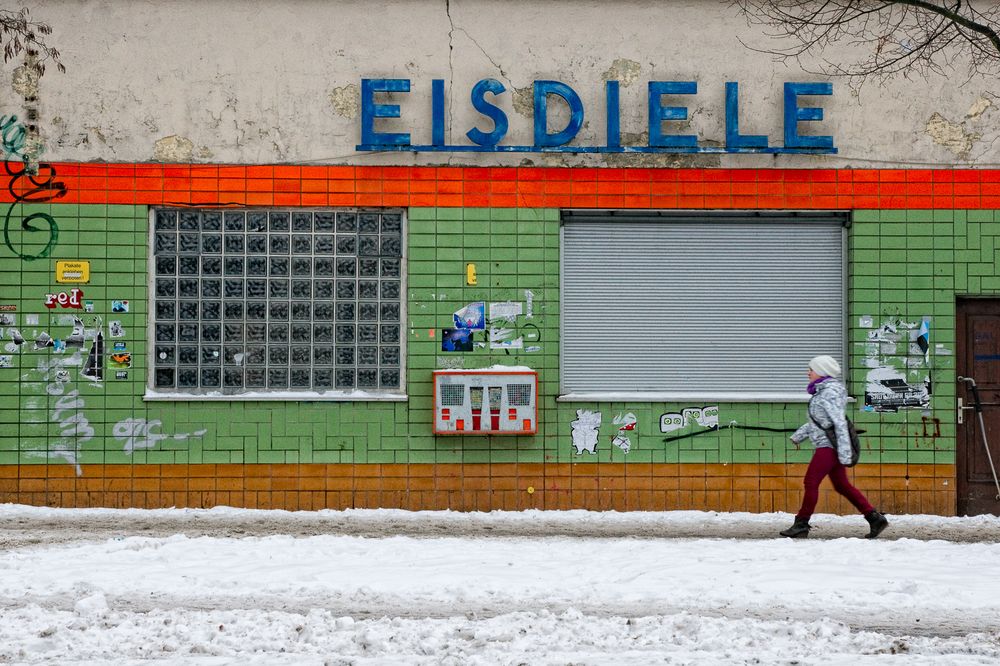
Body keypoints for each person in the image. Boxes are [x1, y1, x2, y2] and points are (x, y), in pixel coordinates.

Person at [780, 355, 889, 539]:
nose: (808, 372)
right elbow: (820, 421)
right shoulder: (822, 392)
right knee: (842, 485)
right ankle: (874, 518)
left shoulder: (830, 392)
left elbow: (838, 422)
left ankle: (801, 524)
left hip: (828, 446)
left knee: (811, 482)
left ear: (821, 372)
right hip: (828, 444)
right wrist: (799, 436)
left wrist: (845, 452)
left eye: (811, 369)